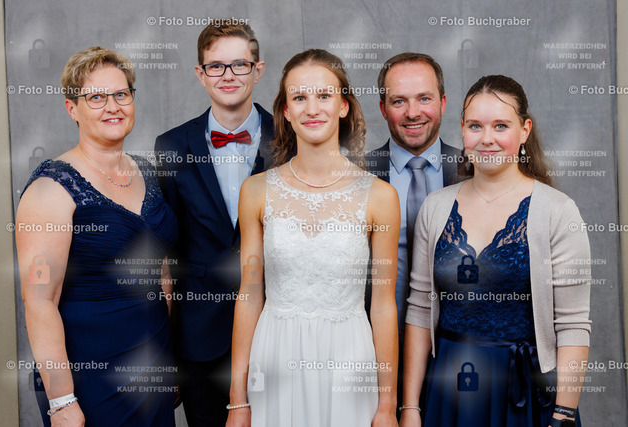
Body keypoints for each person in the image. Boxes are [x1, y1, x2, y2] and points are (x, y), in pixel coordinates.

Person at [401, 75, 591, 427]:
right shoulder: (435, 207)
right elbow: (420, 310)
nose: (486, 138)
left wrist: (563, 414)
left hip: (526, 393)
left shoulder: (558, 211)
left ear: (524, 130)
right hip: (448, 390)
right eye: (476, 126)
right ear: (463, 129)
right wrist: (410, 407)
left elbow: (573, 324)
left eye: (500, 126)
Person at [226, 49, 400, 427]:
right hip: (275, 357)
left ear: (343, 106)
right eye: (300, 97)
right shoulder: (256, 191)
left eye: (324, 95)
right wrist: (237, 401)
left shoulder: (380, 196)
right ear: (286, 111)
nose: (312, 108)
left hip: (349, 359)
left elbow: (384, 306)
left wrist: (388, 405)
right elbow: (250, 294)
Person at [16, 46, 177, 426]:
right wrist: (61, 401)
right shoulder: (50, 189)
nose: (113, 107)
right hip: (89, 374)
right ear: (72, 108)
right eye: (96, 97)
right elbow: (39, 301)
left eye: (121, 94)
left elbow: (162, 273)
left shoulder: (147, 171)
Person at [153, 21, 272, 426]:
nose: (228, 75)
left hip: (277, 326)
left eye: (240, 64)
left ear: (258, 70)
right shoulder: (171, 146)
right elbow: (168, 257)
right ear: (200, 74)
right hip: (200, 337)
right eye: (216, 66)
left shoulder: (291, 137)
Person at [365, 53, 464, 344]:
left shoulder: (474, 172)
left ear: (442, 103)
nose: (412, 113)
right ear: (383, 109)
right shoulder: (356, 175)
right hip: (373, 343)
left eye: (424, 98)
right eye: (399, 101)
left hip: (454, 346)